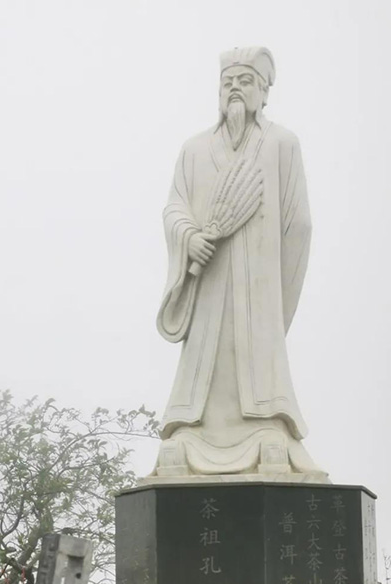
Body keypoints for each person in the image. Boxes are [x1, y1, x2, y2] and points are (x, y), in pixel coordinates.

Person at [154, 47, 327, 480]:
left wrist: (276, 293)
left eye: (245, 80)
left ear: (263, 92)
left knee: (257, 360)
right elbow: (174, 208)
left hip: (259, 285)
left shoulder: (282, 144)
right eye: (228, 80)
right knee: (207, 358)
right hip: (209, 283)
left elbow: (298, 223)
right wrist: (191, 239)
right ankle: (197, 428)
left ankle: (267, 421)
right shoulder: (194, 151)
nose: (234, 88)